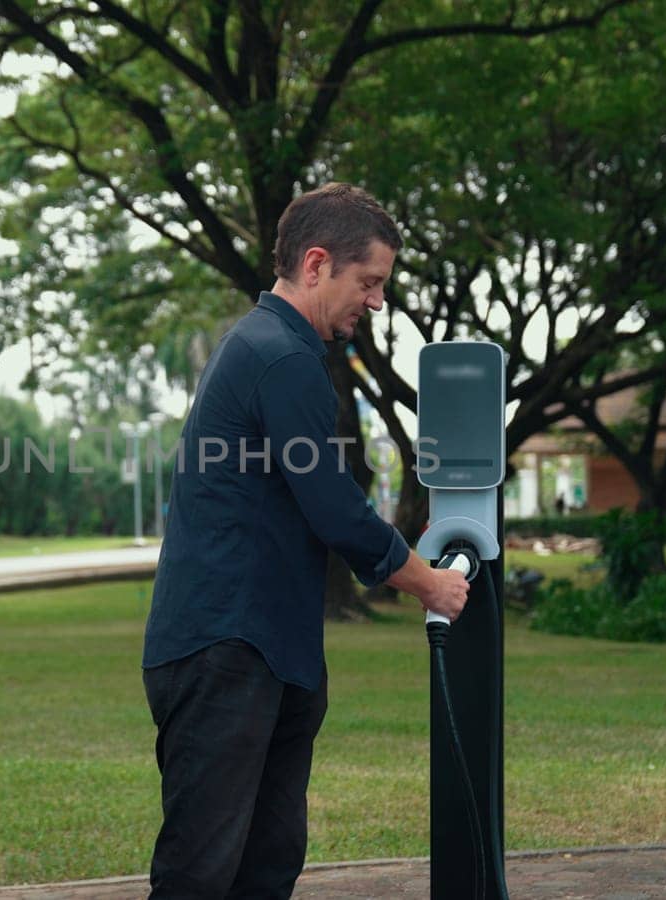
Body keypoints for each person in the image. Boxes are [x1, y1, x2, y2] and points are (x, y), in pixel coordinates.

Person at [142, 182, 471, 898]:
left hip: (264, 652)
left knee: (266, 864)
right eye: (370, 281)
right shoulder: (279, 358)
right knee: (201, 874)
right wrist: (430, 583)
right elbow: (333, 505)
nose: (377, 301)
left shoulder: (271, 349)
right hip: (227, 650)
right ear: (317, 264)